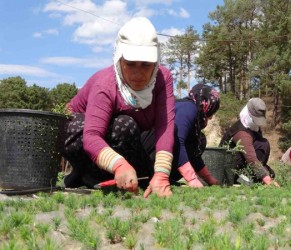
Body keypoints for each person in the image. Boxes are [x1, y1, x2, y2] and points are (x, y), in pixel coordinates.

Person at [62, 17, 175, 198]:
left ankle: (130, 176)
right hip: (83, 139)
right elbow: (91, 137)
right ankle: (88, 175)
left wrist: (161, 174)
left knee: (138, 130)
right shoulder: (105, 85)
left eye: (146, 65)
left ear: (155, 63)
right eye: (130, 64)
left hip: (130, 142)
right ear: (119, 59)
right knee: (124, 125)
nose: (138, 74)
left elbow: (165, 126)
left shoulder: (163, 79)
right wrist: (119, 165)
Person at [142, 83, 221, 187]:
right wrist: (192, 179)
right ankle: (148, 176)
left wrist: (210, 179)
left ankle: (167, 178)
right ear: (206, 105)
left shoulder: (193, 112)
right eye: (211, 112)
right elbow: (178, 140)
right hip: (145, 153)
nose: (210, 118)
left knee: (200, 140)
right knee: (175, 133)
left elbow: (194, 155)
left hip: (155, 152)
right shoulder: (189, 108)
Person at [219, 98, 279, 187]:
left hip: (245, 162)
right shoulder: (241, 132)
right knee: (262, 145)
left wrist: (266, 172)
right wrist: (267, 180)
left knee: (263, 144)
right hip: (230, 169)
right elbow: (251, 158)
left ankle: (254, 177)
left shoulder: (253, 127)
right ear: (249, 114)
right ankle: (243, 178)